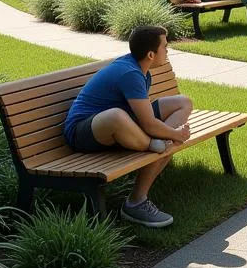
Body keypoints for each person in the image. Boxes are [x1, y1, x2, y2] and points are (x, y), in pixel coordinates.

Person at [62, 25, 192, 227]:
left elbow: (145, 117)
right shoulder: (130, 73)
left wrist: (170, 134)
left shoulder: (140, 69)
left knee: (183, 102)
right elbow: (148, 123)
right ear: (151, 54)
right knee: (117, 116)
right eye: (165, 47)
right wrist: (174, 133)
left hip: (123, 124)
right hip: (85, 131)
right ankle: (152, 151)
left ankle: (160, 144)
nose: (168, 50)